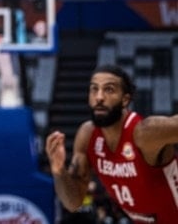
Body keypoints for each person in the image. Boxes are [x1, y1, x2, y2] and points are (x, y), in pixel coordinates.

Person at [45, 64, 178, 222]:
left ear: (125, 100)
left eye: (109, 89)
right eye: (94, 89)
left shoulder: (146, 133)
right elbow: (73, 203)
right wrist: (58, 169)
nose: (99, 97)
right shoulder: (88, 135)